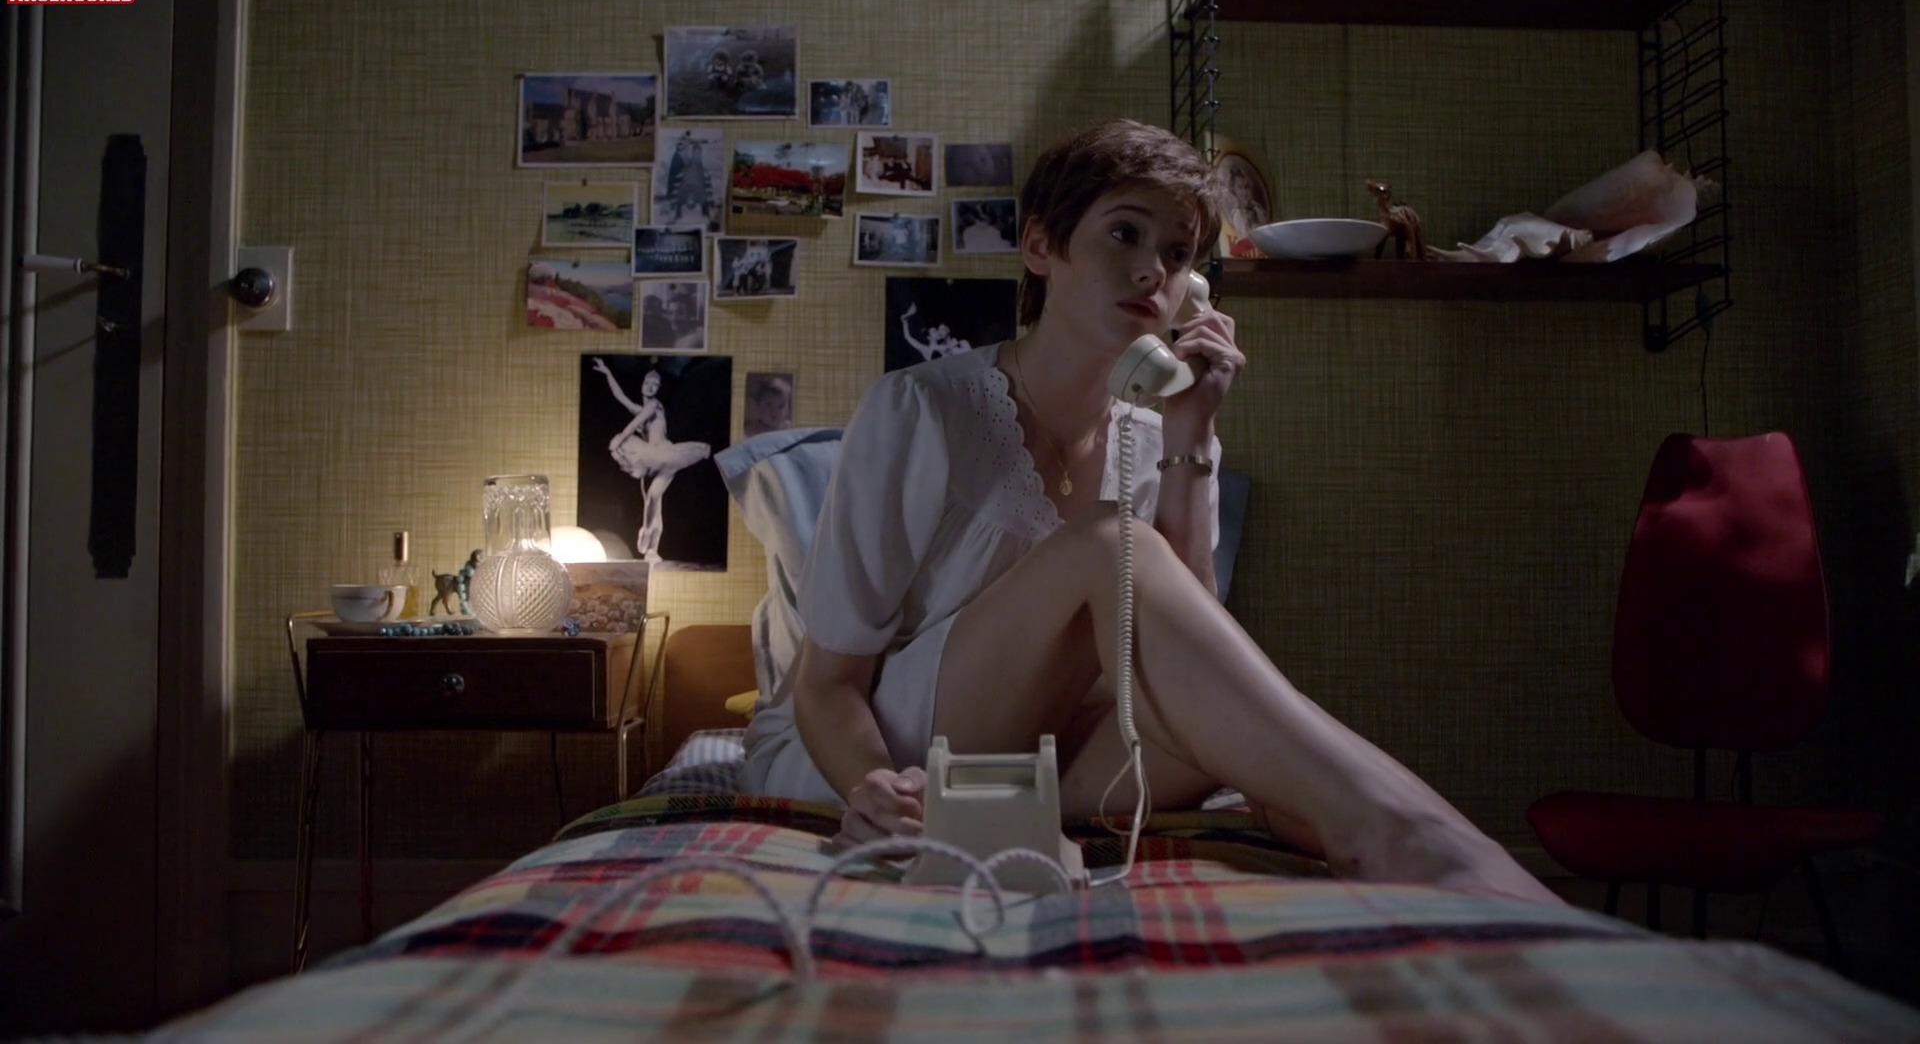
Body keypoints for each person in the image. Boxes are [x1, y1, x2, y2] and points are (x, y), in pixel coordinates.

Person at [740, 118, 1555, 904]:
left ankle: (1420, 852)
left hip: (1030, 757)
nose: (1151, 272)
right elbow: (827, 685)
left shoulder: (1160, 439)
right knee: (1107, 544)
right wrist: (872, 789)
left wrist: (1193, 431)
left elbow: (1189, 650)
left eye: (1177, 254)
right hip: (869, 753)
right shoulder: (921, 408)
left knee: (1227, 734)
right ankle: (1401, 836)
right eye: (1124, 235)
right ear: (1041, 247)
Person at [593, 357, 711, 563]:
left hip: (665, 454)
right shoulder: (641, 408)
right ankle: (652, 549)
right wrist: (607, 373)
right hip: (656, 463)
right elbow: (620, 397)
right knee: (653, 500)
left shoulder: (655, 405)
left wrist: (621, 437)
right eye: (647, 383)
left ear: (658, 389)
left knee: (701, 451)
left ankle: (648, 535)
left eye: (654, 385)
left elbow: (636, 423)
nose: (650, 387)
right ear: (642, 384)